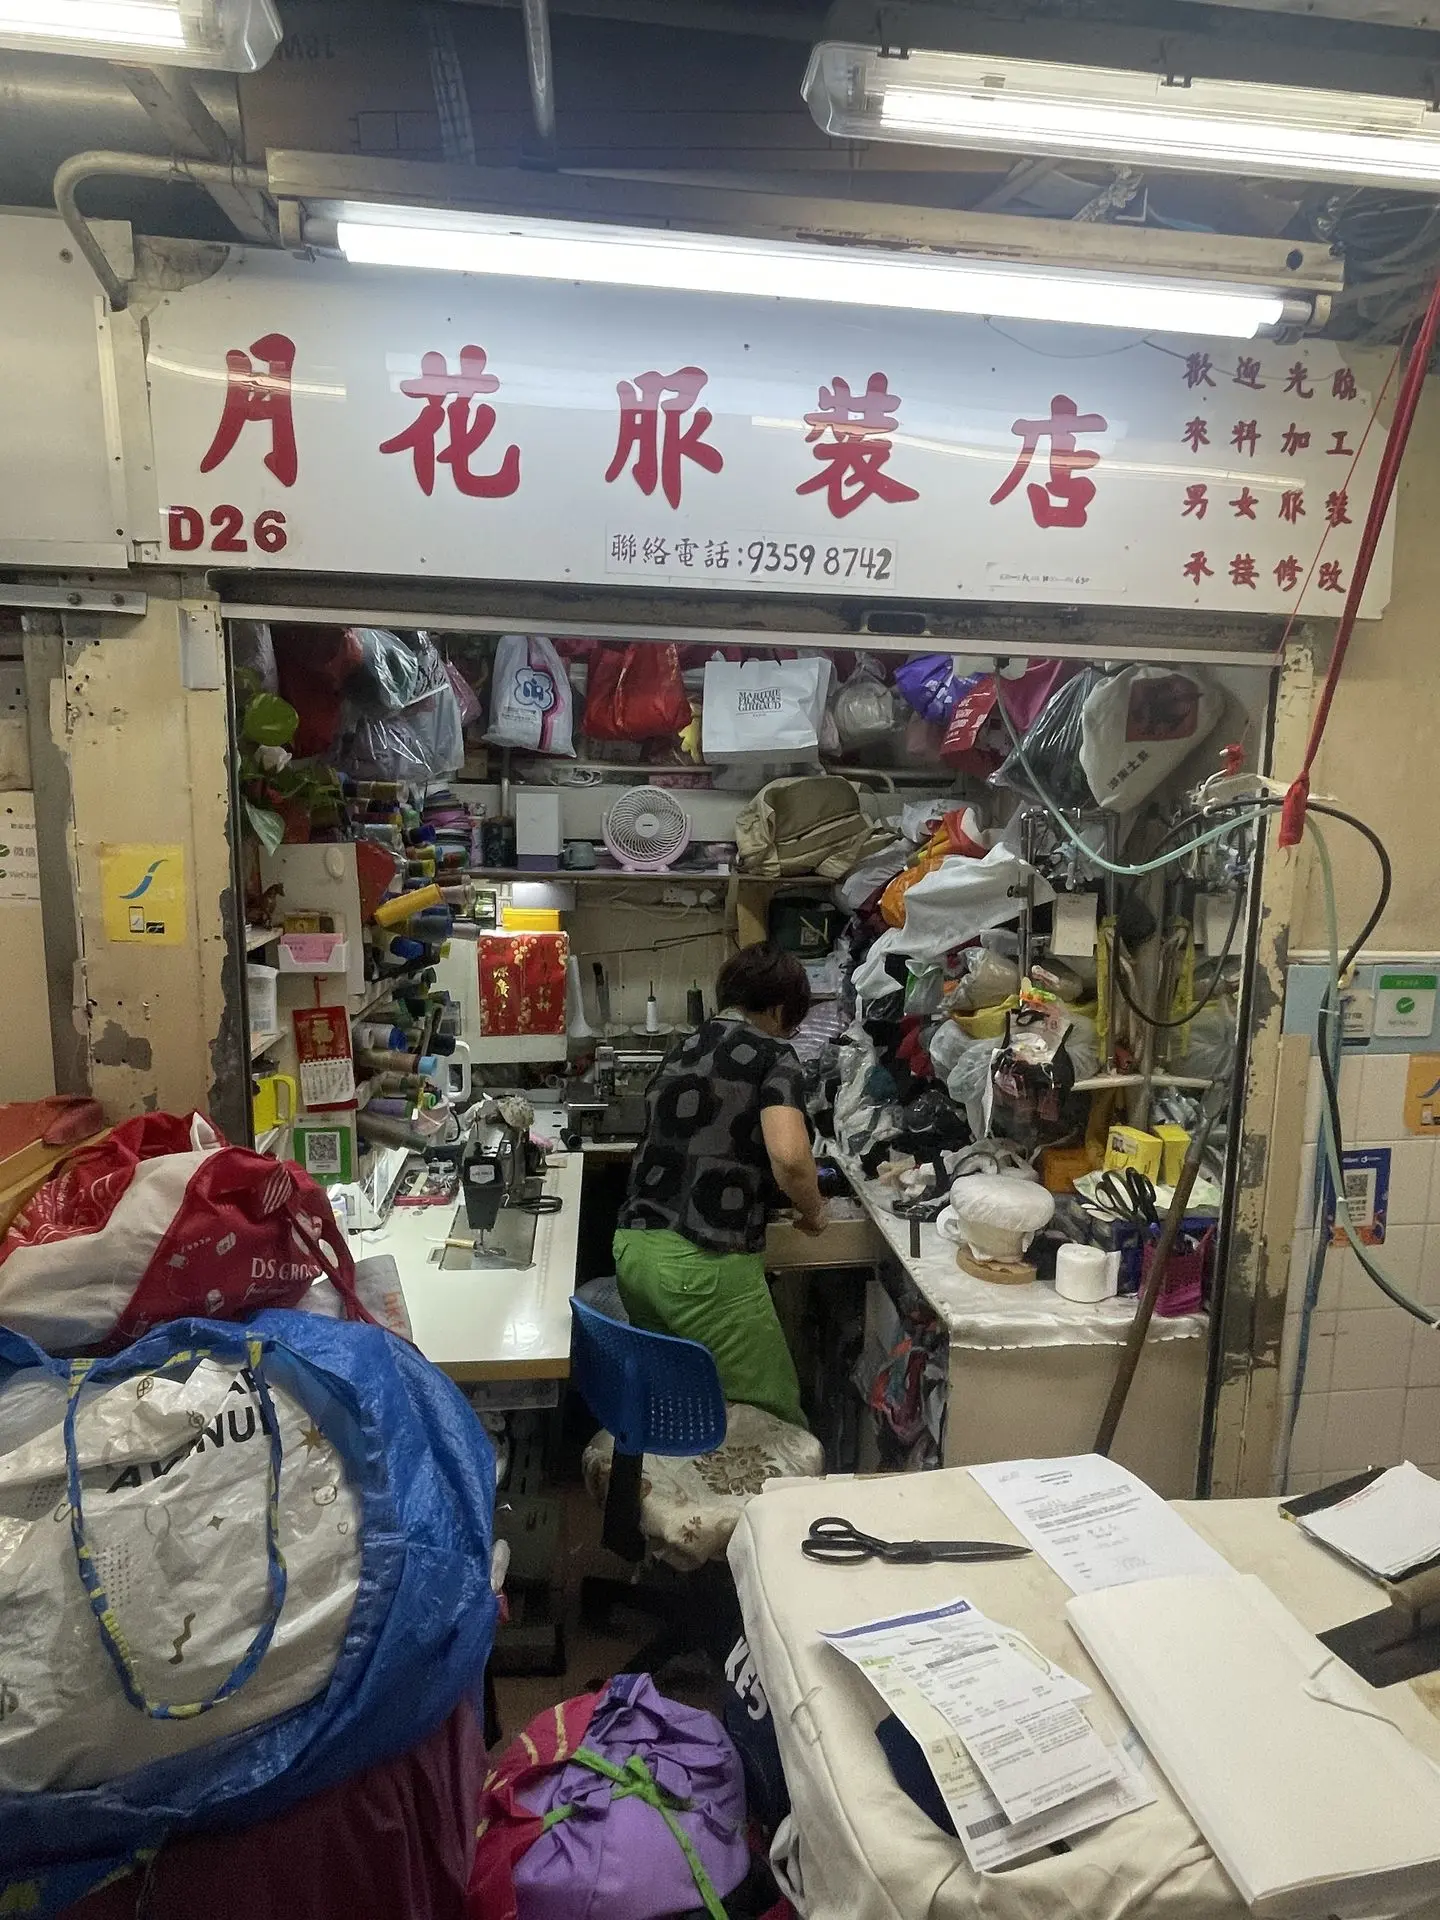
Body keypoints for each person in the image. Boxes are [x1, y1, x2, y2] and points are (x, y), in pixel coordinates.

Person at [612, 944, 825, 1430]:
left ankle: (684, 1473)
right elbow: (791, 1158)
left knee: (685, 1399)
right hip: (701, 1263)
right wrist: (813, 1210)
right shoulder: (774, 1054)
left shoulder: (682, 1048)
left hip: (634, 1252)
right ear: (778, 1010)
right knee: (773, 1419)